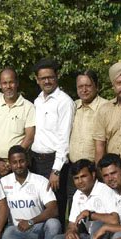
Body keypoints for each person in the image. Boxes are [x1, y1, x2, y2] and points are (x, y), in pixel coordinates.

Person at [0, 146, 60, 239]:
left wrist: (31, 221)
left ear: (28, 161)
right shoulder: (3, 182)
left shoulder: (40, 180)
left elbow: (53, 209)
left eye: (22, 161)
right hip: (14, 229)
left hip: (37, 227)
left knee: (54, 224)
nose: (19, 165)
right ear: (10, 164)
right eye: (14, 162)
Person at [51, 159, 119, 239]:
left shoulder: (105, 190)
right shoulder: (78, 194)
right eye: (76, 178)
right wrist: (71, 232)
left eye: (83, 176)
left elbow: (115, 220)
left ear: (93, 175)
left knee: (98, 224)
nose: (80, 181)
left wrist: (92, 215)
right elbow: (72, 223)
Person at [30, 58, 75, 224]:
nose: (47, 81)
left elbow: (64, 138)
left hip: (54, 163)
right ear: (37, 80)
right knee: (39, 206)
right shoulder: (37, 101)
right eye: (43, 78)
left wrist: (56, 170)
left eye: (50, 77)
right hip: (36, 161)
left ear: (57, 77)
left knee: (56, 208)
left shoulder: (64, 102)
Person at [0, 68, 36, 177]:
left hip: (19, 164)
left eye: (11, 82)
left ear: (17, 83)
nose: (8, 86)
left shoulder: (28, 107)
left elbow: (29, 137)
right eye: (4, 83)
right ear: (0, 85)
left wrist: (11, 162)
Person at [69, 70, 107, 164]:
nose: (84, 90)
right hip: (72, 167)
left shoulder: (106, 107)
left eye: (88, 86)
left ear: (97, 87)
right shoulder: (73, 106)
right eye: (80, 86)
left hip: (95, 166)